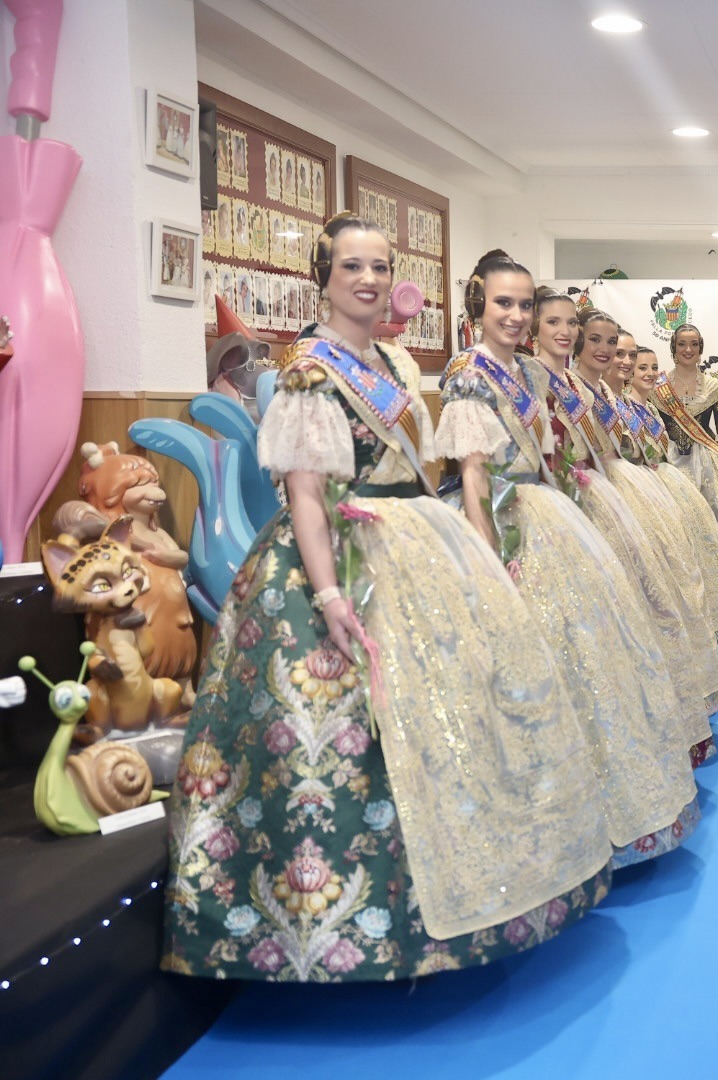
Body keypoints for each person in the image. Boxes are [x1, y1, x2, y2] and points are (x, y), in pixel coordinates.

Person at [162, 217, 612, 982]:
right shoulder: (311, 368)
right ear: (323, 275)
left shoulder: (389, 361)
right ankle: (356, 932)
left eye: (379, 267)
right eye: (352, 267)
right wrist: (331, 592)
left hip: (415, 545)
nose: (367, 280)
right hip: (340, 559)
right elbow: (305, 493)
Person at [438, 250, 699, 868]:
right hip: (500, 518)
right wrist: (488, 558)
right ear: (479, 304)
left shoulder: (528, 375)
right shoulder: (467, 372)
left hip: (545, 510)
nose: (517, 315)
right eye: (505, 303)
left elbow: (549, 455)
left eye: (524, 305)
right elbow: (473, 473)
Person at [530, 292, 718, 753]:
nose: (609, 353)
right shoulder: (548, 381)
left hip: (614, 494)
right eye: (597, 342)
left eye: (615, 346)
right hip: (578, 501)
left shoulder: (586, 390)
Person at [581, 310, 718, 643]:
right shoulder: (645, 394)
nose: (632, 365)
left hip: (686, 470)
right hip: (645, 480)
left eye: (694, 344)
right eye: (621, 353)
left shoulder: (709, 387)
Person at [655, 323, 718, 547]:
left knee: (715, 519)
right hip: (669, 462)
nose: (688, 349)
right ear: (673, 348)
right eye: (682, 344)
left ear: (700, 349)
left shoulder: (713, 386)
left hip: (708, 463)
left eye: (694, 344)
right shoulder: (657, 386)